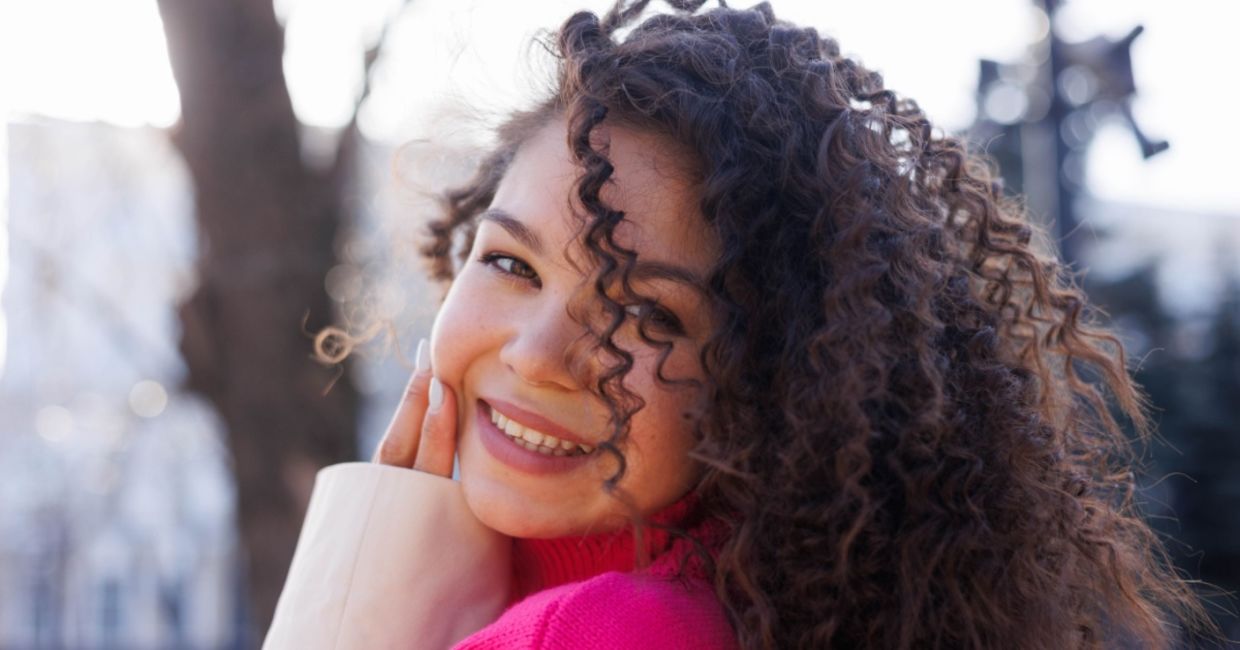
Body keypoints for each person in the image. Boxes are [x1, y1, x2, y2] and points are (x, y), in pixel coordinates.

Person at [311, 0, 1214, 647]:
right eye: (510, 263)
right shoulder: (747, 602)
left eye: (645, 313)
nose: (541, 356)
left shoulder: (603, 632)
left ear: (772, 377)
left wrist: (359, 598)